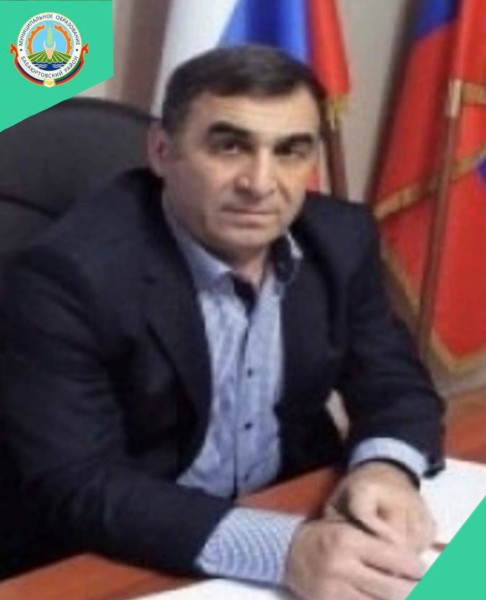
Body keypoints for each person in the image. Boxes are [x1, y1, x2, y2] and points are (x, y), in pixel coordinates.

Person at [1, 45, 444, 600]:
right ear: (162, 151)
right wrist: (284, 551)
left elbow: (394, 384)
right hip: (123, 551)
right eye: (231, 146)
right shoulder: (66, 275)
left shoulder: (339, 239)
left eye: (290, 151)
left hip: (294, 509)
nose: (261, 183)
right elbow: (81, 483)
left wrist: (384, 469)